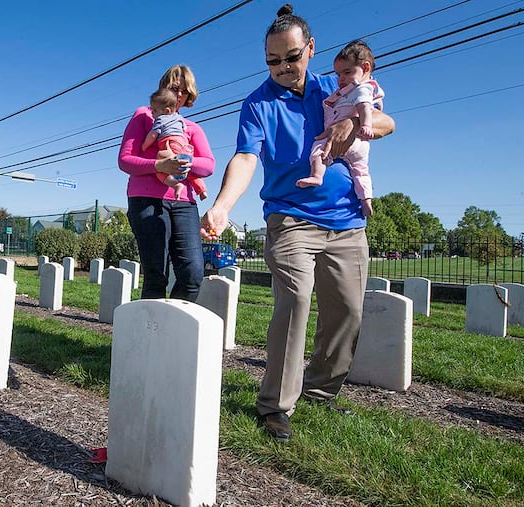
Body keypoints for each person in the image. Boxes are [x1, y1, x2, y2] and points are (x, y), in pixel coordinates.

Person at [200, 4, 394, 441]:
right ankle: (274, 405)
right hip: (290, 221)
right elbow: (247, 157)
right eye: (273, 60)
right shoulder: (258, 104)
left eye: (291, 57)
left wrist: (356, 129)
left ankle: (321, 393)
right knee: (295, 301)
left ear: (310, 49)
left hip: (347, 220)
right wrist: (223, 206)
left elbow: (386, 120)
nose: (283, 67)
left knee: (347, 312)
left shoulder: (337, 86)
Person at [119, 64, 215, 302]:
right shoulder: (144, 116)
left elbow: (208, 165)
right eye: (174, 88)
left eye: (184, 91)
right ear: (164, 88)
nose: (179, 95)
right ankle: (150, 335)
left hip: (184, 203)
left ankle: (173, 327)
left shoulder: (191, 128)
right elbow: (126, 160)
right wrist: (158, 166)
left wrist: (184, 160)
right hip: (146, 199)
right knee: (156, 274)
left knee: (193, 272)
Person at [296, 40, 385, 217]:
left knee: (319, 151)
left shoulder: (359, 90)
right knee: (361, 171)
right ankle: (366, 200)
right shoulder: (365, 90)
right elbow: (376, 107)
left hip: (349, 140)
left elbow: (365, 108)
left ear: (366, 68)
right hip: (360, 147)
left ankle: (317, 175)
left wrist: (361, 124)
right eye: (338, 74)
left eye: (347, 72)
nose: (341, 79)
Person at [141, 88, 209, 201]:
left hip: (169, 143)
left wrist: (144, 146)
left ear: (166, 111)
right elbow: (184, 128)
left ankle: (175, 185)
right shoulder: (178, 118)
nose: (151, 113)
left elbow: (153, 135)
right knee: (185, 168)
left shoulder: (160, 119)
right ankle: (201, 190)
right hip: (182, 143)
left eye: (154, 110)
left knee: (161, 167)